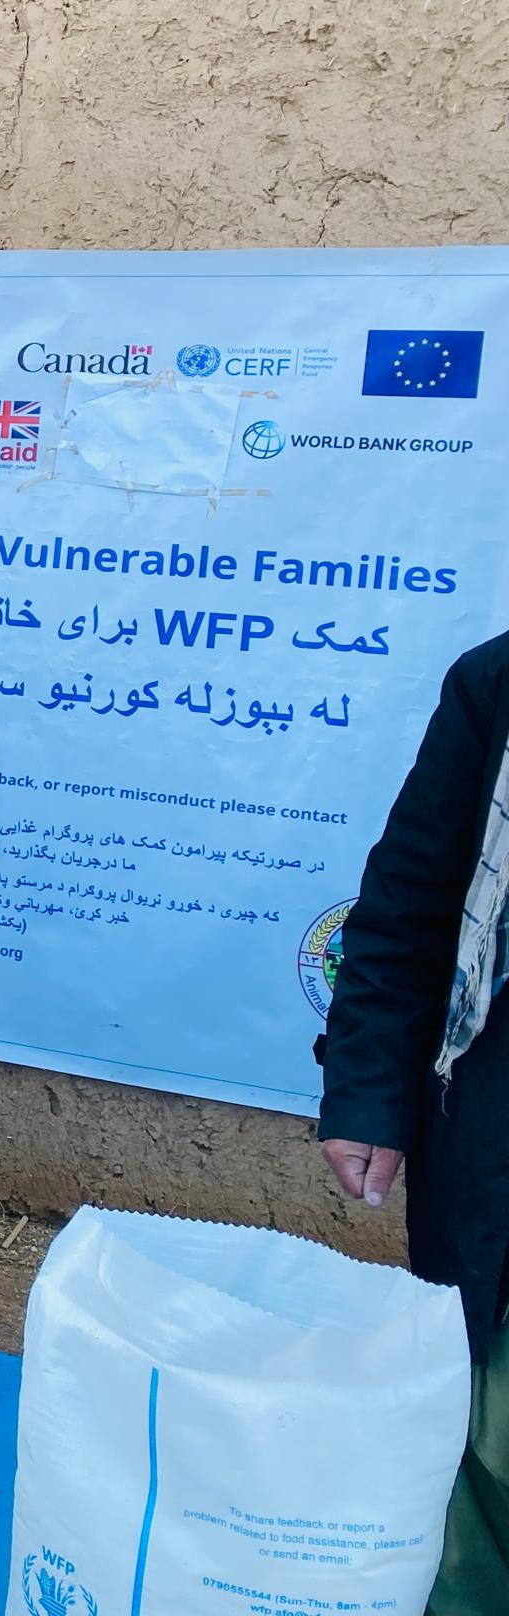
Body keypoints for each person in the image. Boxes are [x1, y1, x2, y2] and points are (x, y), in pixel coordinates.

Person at [319, 629, 509, 1612]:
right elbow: (407, 911)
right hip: (494, 1187)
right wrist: (366, 1095)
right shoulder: (496, 685)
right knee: (478, 1498)